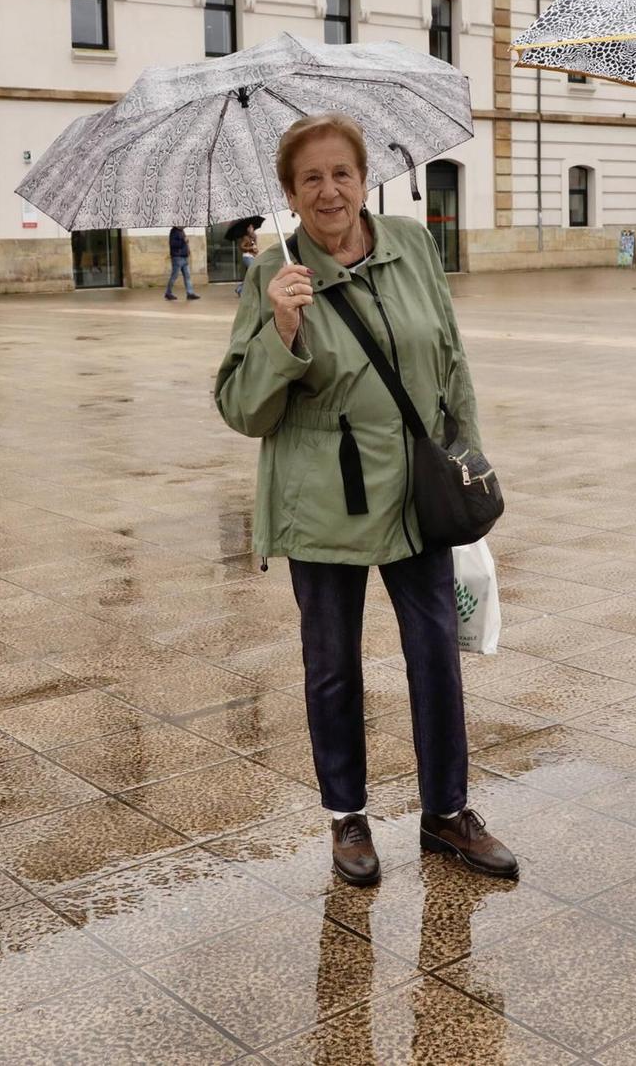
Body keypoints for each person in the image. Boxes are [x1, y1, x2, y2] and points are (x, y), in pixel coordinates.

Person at [215, 113, 516, 888]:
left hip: (418, 490)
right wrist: (283, 327)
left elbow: (451, 360)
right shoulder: (271, 276)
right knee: (332, 665)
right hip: (323, 497)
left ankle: (447, 811)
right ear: (289, 192)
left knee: (434, 653)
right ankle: (347, 816)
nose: (328, 190)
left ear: (365, 178)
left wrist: (467, 462)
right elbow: (242, 409)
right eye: (309, 178)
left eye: (341, 173)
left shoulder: (413, 246)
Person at [165, 226, 199, 300]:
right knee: (174, 276)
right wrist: (184, 241)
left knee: (187, 276)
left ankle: (190, 293)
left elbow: (184, 243)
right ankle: (168, 293)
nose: (185, 225)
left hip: (184, 257)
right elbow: (173, 244)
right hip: (178, 257)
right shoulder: (174, 231)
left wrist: (188, 249)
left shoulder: (181, 231)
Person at [236, 227, 259, 297]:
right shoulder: (246, 237)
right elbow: (241, 247)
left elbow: (255, 247)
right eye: (249, 228)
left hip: (252, 257)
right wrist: (250, 248)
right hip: (247, 257)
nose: (251, 229)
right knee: (252, 273)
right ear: (247, 229)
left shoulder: (254, 237)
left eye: (252, 227)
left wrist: (255, 250)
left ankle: (240, 288)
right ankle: (240, 289)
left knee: (251, 274)